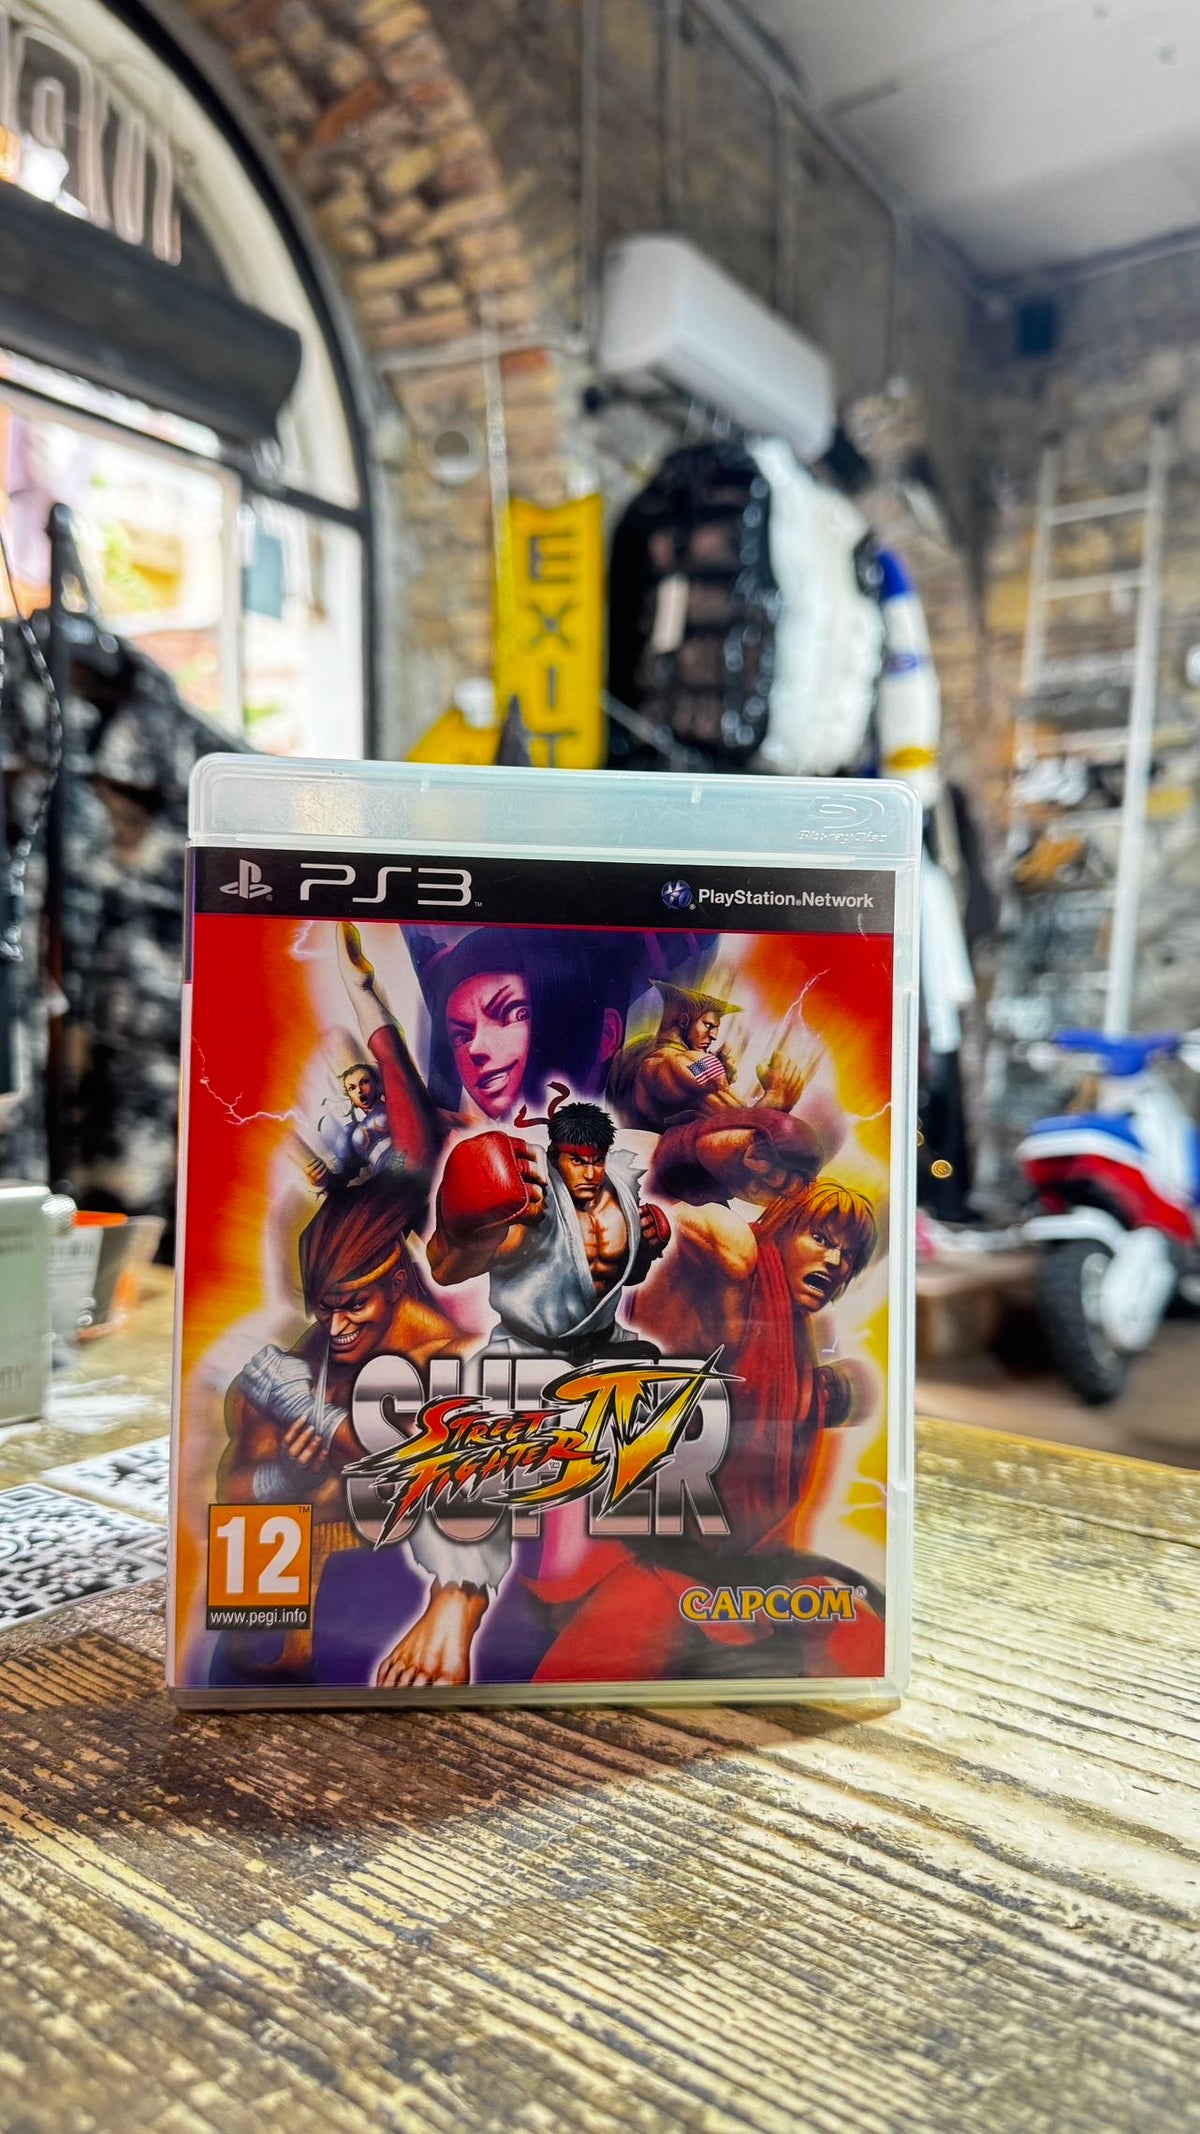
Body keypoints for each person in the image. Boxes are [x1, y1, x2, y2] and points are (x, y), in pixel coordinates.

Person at [522, 1174, 880, 1686]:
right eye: (820, 1238)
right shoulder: (734, 1271)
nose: (834, 1261)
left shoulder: (797, 1339)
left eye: (847, 1255)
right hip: (658, 1564)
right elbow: (702, 1227)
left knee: (860, 1645)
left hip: (744, 1574)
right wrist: (678, 1223)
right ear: (779, 1228)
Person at [217, 1174, 502, 1690]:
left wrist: (309, 1415)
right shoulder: (300, 1364)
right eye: (325, 1307)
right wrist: (283, 1479)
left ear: (394, 1285)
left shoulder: (454, 1360)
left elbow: (427, 1475)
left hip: (383, 1605)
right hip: (267, 1608)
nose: (336, 1326)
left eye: (354, 1304)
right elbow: (233, 1492)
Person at [427, 1097, 670, 1364]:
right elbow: (444, 1272)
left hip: (605, 1346)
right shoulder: (532, 1199)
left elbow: (622, 1278)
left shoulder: (623, 1193)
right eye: (577, 1161)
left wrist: (644, 1253)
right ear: (555, 1156)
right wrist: (464, 1235)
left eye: (597, 1161)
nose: (590, 1174)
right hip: (527, 1354)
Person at [608, 980, 805, 1132]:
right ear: (684, 1022)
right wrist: (776, 1097)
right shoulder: (674, 1063)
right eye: (709, 1025)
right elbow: (744, 1127)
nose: (714, 1036)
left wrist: (715, 1066)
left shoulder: (636, 1049)